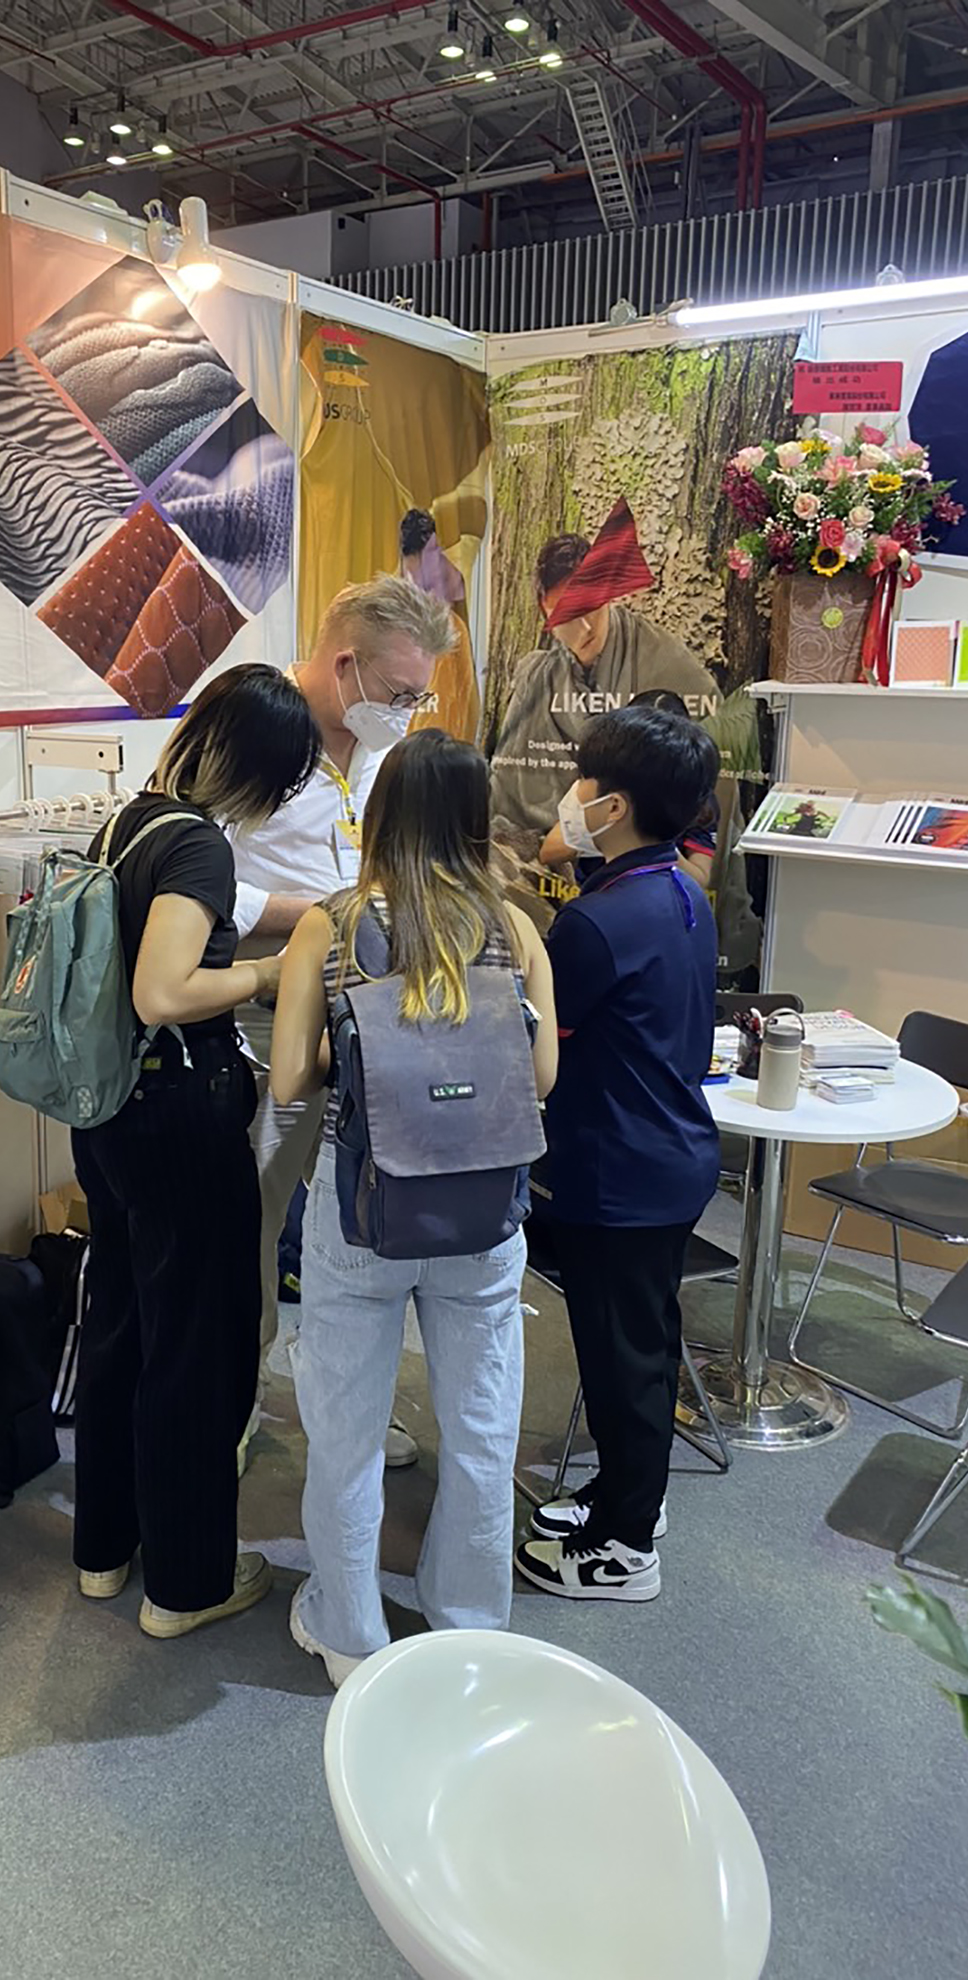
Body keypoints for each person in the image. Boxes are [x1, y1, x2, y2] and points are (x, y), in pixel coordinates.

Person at [270, 730, 558, 1685]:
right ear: (477, 818)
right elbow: (542, 1078)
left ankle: (348, 1633)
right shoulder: (513, 929)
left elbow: (288, 1083)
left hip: (361, 1207)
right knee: (481, 1428)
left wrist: (365, 1051)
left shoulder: (331, 926)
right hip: (482, 1211)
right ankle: (469, 1620)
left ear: (380, 815)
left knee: (346, 1431)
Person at [72, 666, 319, 1639]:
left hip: (110, 1111)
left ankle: (106, 1549)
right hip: (179, 1116)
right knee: (197, 1349)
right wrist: (268, 974)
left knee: (123, 1324)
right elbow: (164, 991)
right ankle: (185, 1585)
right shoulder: (199, 845)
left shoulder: (127, 823)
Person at [229, 575, 457, 1470]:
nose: (406, 712)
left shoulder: (377, 748)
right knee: (254, 1216)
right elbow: (191, 875)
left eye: (418, 698)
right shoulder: (250, 726)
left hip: (369, 1013)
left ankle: (352, 1405)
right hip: (267, 1013)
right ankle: (235, 1401)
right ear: (344, 664)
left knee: (359, 1216)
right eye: (399, 692)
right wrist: (321, 914)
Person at [514, 704, 721, 1604]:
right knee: (644, 1346)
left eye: (584, 782)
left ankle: (625, 1549)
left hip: (616, 1170)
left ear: (615, 805)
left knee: (622, 1359)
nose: (573, 796)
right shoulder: (679, 889)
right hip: (668, 1154)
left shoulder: (595, 925)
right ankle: (628, 1494)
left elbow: (539, 1046)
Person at [490, 531, 721, 924]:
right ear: (546, 614)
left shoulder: (666, 664)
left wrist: (649, 843)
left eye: (591, 607)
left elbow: (700, 874)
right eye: (566, 614)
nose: (583, 628)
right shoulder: (538, 677)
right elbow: (542, 838)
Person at [538, 688, 718, 891]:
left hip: (653, 896)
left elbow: (700, 879)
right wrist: (605, 832)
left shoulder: (695, 797)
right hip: (597, 892)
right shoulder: (602, 779)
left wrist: (655, 845)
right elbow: (550, 851)